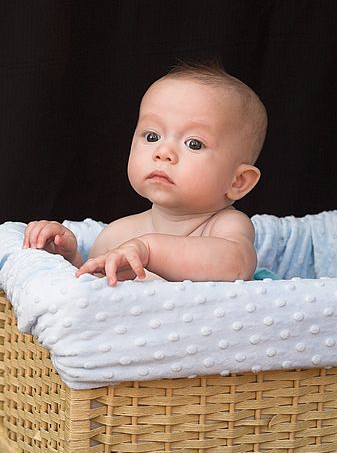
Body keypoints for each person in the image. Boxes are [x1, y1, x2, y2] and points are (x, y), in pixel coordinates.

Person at [22, 61, 267, 286]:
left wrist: (149, 251)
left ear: (238, 181)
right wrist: (67, 256)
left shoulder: (225, 226)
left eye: (194, 143)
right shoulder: (118, 233)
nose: (163, 152)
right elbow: (93, 289)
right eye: (152, 136)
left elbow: (236, 266)